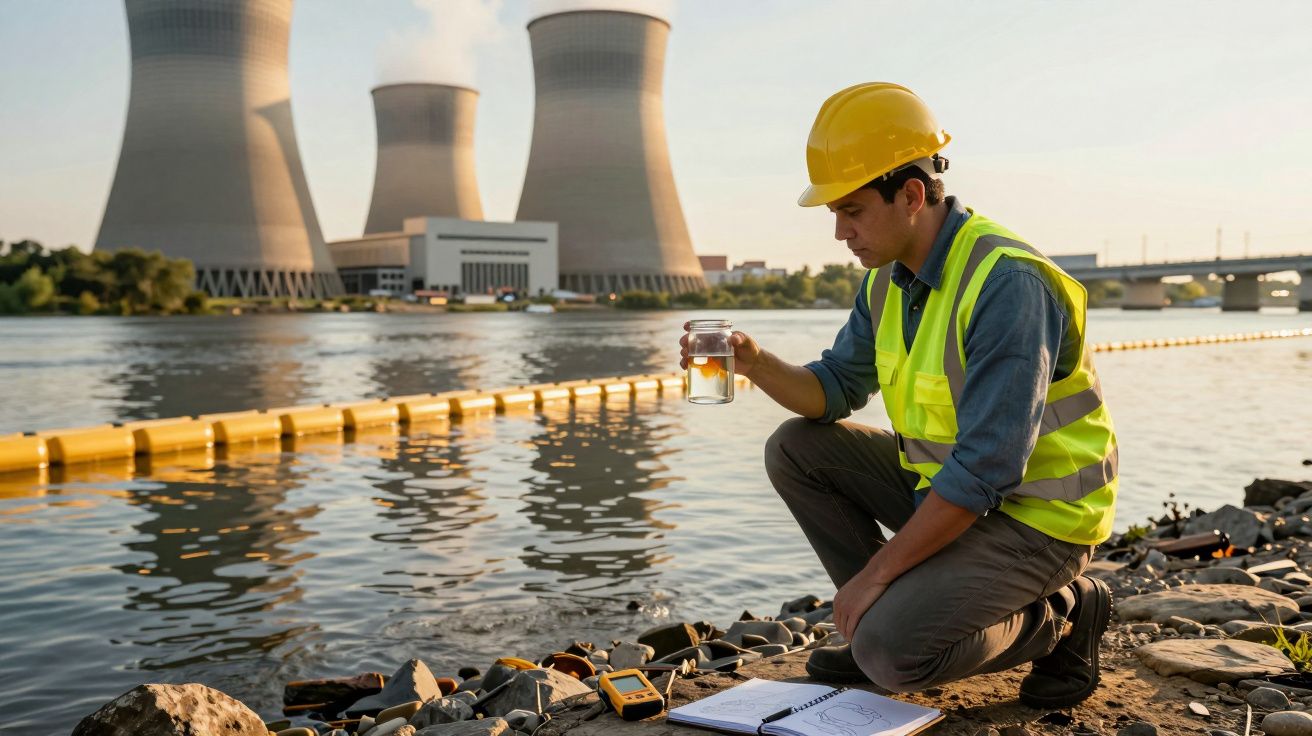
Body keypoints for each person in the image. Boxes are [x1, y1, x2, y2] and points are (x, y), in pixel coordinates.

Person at [679, 82, 1118, 708]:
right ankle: (885, 622)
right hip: (949, 495)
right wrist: (754, 364)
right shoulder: (888, 281)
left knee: (893, 655)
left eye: (851, 210)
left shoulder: (1009, 284)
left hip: (1037, 520)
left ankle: (1064, 617)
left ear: (912, 194)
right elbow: (830, 392)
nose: (839, 233)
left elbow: (986, 469)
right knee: (796, 448)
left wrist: (872, 578)